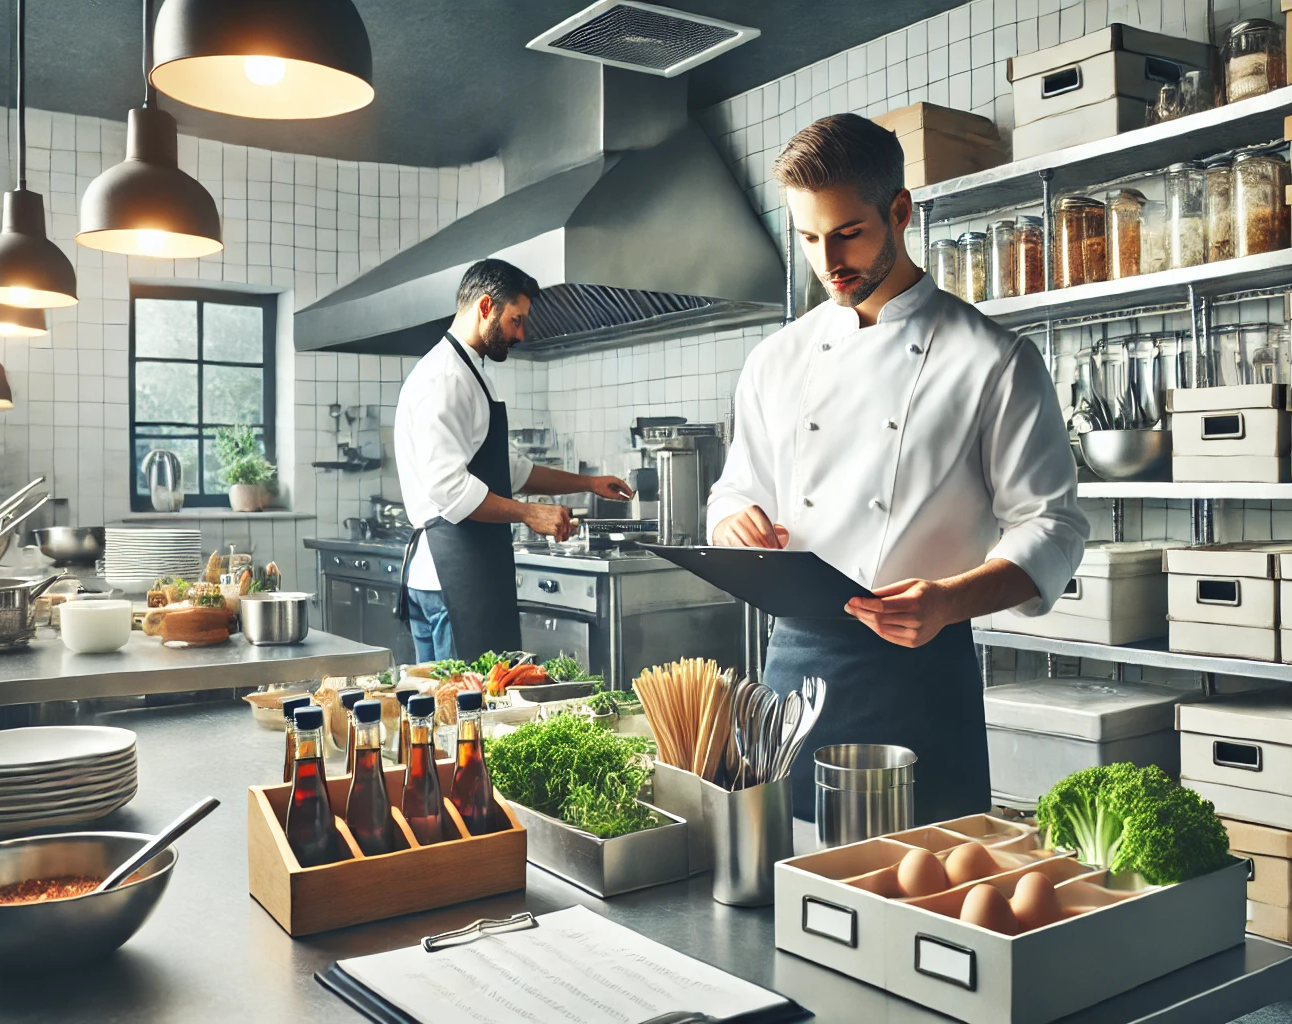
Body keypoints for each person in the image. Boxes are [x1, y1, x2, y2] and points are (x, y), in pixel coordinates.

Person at [707, 115, 1089, 823]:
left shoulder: (992, 359)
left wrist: (948, 600)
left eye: (848, 232)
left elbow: (1053, 526)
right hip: (791, 672)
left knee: (932, 902)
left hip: (919, 676)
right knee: (787, 895)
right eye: (809, 239)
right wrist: (732, 520)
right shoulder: (775, 361)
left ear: (900, 211)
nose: (829, 262)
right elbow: (737, 488)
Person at [394, 258, 632, 663]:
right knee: (464, 713)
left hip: (463, 573)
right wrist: (529, 515)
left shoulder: (468, 372)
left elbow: (512, 470)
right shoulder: (446, 378)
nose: (521, 334)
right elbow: (449, 490)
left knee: (463, 712)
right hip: (449, 579)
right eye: (515, 320)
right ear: (485, 307)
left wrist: (587, 483)